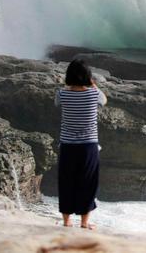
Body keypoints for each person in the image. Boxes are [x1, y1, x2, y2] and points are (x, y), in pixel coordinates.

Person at [54, 58, 107, 229]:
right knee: (87, 182)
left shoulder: (62, 94)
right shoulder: (93, 94)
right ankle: (84, 223)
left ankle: (67, 221)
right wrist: (93, 84)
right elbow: (104, 100)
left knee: (67, 182)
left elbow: (57, 103)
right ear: (88, 77)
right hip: (88, 146)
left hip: (68, 145)